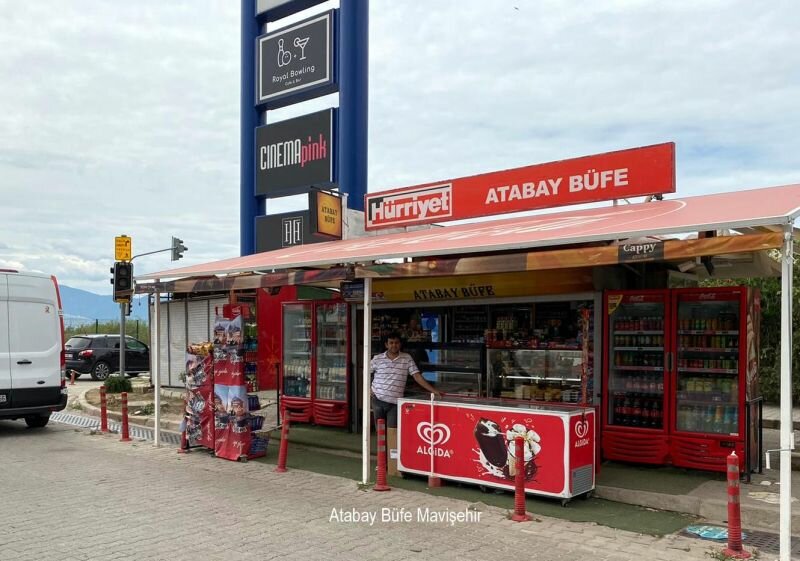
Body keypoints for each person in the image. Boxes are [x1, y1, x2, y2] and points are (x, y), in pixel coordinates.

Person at [370, 332, 441, 428]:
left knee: (393, 431)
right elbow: (366, 374)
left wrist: (434, 391)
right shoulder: (377, 359)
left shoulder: (407, 358)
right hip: (378, 400)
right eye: (391, 343)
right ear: (386, 344)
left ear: (400, 344)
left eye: (396, 342)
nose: (394, 345)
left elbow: (417, 376)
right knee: (380, 431)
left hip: (395, 403)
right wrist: (369, 389)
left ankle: (390, 444)